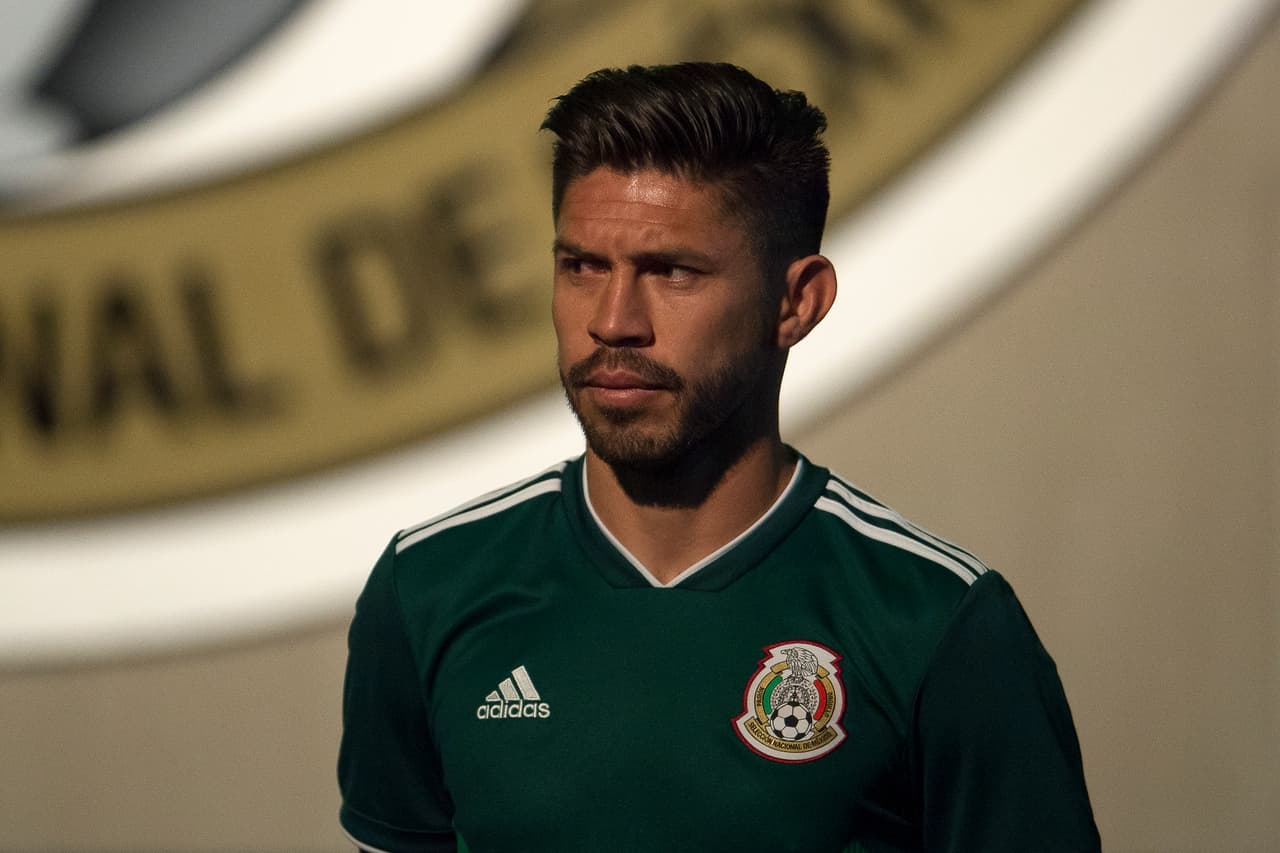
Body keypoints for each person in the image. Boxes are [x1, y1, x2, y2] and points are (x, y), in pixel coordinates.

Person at [338, 62, 1100, 853]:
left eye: (672, 271)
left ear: (796, 301)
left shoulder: (939, 625)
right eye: (582, 266)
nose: (613, 321)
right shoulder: (428, 588)